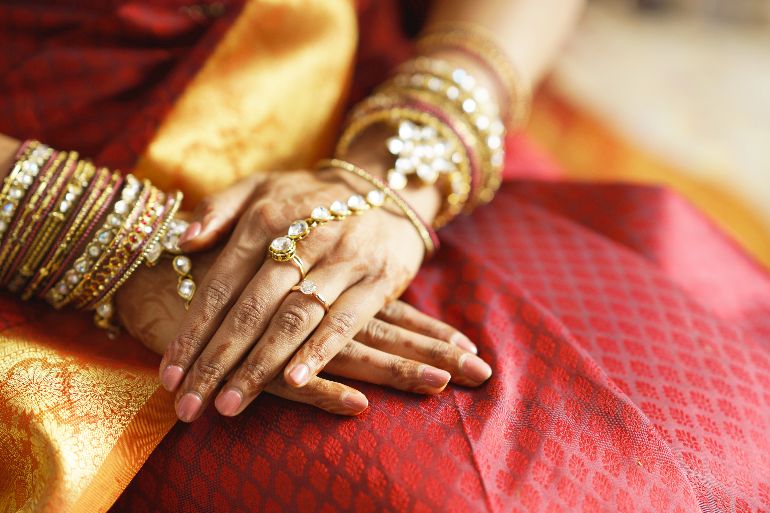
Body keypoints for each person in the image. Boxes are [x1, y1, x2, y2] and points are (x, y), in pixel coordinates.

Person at [1, 1, 768, 512]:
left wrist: (408, 155)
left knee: (728, 413)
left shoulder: (399, 149)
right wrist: (101, 235)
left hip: (373, 114)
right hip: (43, 201)